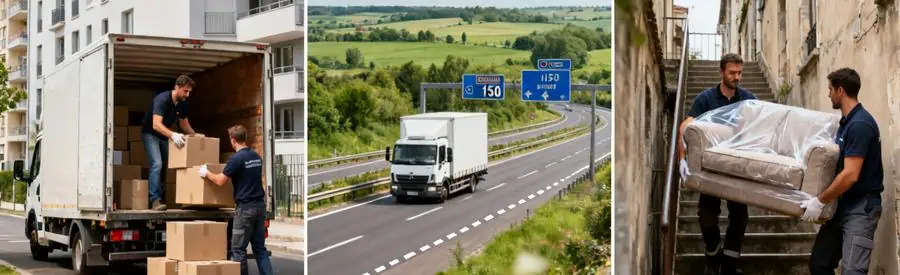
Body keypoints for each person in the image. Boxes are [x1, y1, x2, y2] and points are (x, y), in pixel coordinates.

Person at [677, 53, 756, 275]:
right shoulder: (705, 99)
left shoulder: (748, 100)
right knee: (707, 218)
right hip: (710, 167)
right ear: (721, 72)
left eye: (740, 73)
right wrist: (682, 159)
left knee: (739, 217)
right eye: (732, 73)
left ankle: (730, 264)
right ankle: (713, 256)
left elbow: (762, 127)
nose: (737, 77)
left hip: (738, 167)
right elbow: (685, 127)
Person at [803, 68, 882, 275]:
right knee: (819, 263)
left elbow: (850, 175)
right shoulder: (846, 124)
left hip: (860, 209)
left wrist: (820, 201)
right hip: (842, 206)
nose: (828, 94)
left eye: (830, 89)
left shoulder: (860, 125)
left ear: (840, 90)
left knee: (852, 271)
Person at [199, 125, 273, 275]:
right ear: (245, 138)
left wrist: (206, 173)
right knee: (260, 249)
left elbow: (220, 181)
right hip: (260, 207)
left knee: (238, 250)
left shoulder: (236, 159)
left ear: (233, 140)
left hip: (245, 209)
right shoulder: (256, 157)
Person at [142, 75, 197, 210]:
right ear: (177, 87)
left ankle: (162, 198)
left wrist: (195, 136)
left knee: (166, 165)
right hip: (150, 133)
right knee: (157, 164)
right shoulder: (162, 99)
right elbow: (156, 124)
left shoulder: (183, 104)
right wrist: (173, 135)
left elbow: (184, 124)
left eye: (189, 91)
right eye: (185, 91)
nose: (188, 94)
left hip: (164, 135)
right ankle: (155, 200)